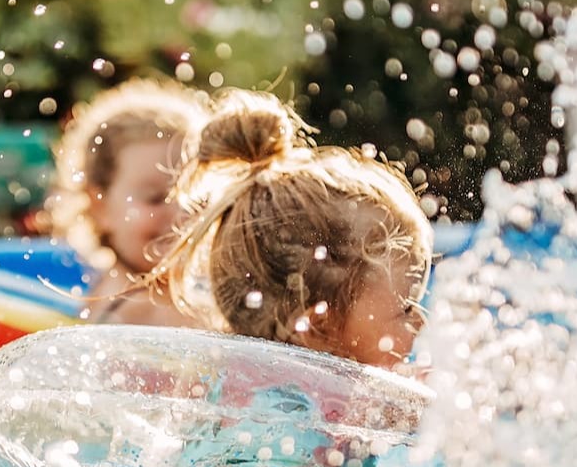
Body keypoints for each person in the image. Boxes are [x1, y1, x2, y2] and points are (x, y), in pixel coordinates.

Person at [157, 90, 432, 371]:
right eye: (406, 307)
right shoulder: (328, 411)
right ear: (318, 328)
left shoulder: (221, 382)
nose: (422, 322)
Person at [46, 78, 209, 326]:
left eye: (196, 194)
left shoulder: (187, 295)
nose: (182, 213)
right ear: (99, 206)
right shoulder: (133, 312)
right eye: (156, 199)